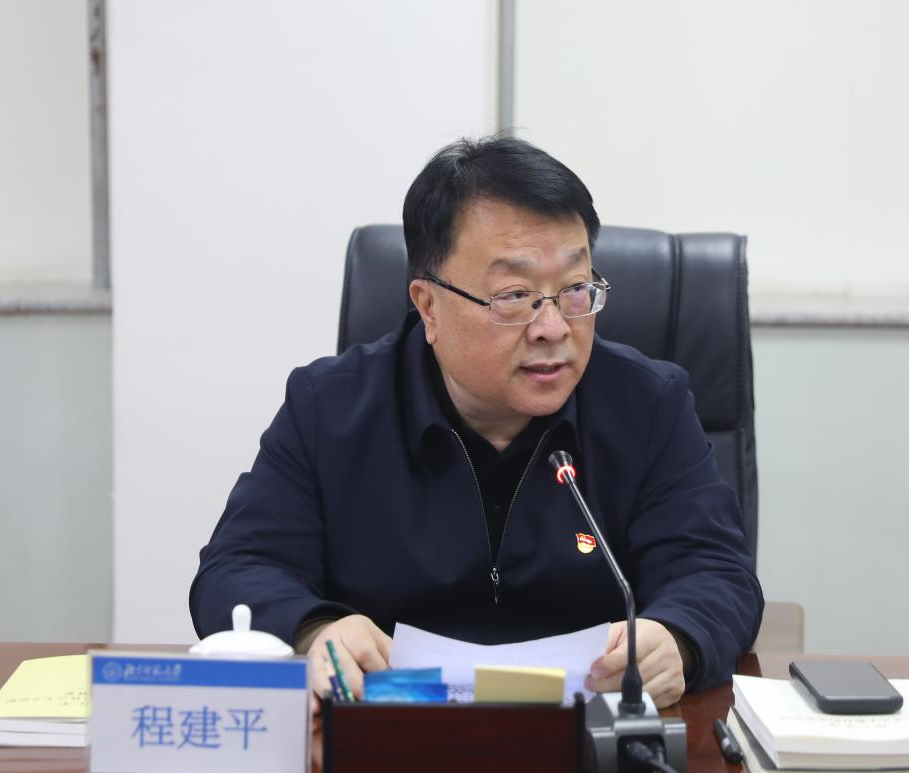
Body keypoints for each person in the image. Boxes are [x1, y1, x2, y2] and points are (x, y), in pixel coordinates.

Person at [190, 136, 763, 708]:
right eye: (514, 295)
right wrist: (315, 630)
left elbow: (718, 573)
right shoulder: (331, 408)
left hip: (591, 731)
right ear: (428, 306)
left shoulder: (647, 404)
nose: (553, 328)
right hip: (390, 726)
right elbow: (238, 568)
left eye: (574, 290)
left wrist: (677, 638)